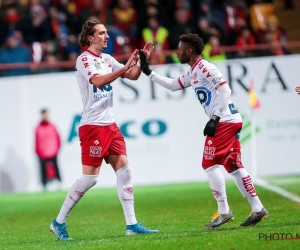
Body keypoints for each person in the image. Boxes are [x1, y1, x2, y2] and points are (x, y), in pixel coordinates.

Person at [139, 33, 269, 229]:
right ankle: (258, 208)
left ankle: (224, 211)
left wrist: (215, 117)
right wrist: (149, 72)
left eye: (180, 48)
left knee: (209, 163)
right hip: (229, 120)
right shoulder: (194, 71)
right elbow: (174, 85)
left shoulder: (205, 67)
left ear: (189, 51)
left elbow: (225, 90)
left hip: (224, 121)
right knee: (233, 165)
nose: (177, 52)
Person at [49, 19, 158, 241]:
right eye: (102, 33)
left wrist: (143, 60)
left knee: (125, 171)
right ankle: (58, 222)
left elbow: (132, 75)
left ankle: (132, 224)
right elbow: (98, 81)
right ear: (90, 37)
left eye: (107, 32)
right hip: (92, 127)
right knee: (90, 179)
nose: (107, 36)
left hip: (110, 124)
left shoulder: (107, 59)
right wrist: (125, 68)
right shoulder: (84, 59)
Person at [35, 108, 62, 190]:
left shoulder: (52, 125)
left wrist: (57, 149)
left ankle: (59, 183)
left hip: (53, 151)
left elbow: (58, 138)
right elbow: (36, 140)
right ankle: (44, 185)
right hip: (42, 153)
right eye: (44, 114)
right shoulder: (38, 127)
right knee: (42, 170)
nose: (45, 116)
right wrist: (38, 152)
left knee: (56, 168)